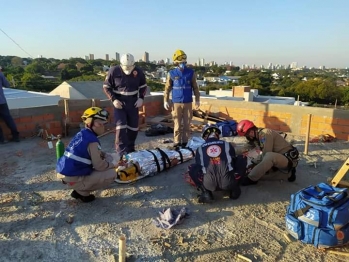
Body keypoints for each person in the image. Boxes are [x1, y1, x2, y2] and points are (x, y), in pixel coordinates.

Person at [56, 107, 120, 202]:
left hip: (65, 173)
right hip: (72, 177)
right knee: (112, 173)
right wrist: (114, 164)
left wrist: (106, 155)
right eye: (99, 123)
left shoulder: (82, 134)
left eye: (103, 124)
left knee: (109, 160)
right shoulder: (92, 141)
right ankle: (82, 192)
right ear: (89, 123)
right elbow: (99, 166)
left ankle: (79, 188)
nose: (102, 126)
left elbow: (88, 152)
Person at [103, 53, 147, 154]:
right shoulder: (114, 71)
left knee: (133, 126)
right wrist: (113, 99)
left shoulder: (138, 72)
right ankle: (121, 152)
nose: (128, 69)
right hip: (119, 102)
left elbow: (143, 86)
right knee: (121, 126)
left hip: (133, 102)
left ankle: (131, 149)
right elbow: (106, 87)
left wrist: (141, 98)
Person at [187, 125, 243, 203]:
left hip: (209, 185)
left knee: (192, 167)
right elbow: (233, 159)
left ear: (205, 136)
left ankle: (206, 193)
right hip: (228, 182)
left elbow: (199, 165)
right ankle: (235, 189)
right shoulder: (227, 144)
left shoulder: (200, 148)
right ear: (217, 134)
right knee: (241, 159)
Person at [236, 119, 299, 186]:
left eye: (249, 133)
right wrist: (231, 151)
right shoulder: (255, 137)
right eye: (246, 135)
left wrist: (254, 163)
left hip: (288, 159)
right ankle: (283, 174)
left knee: (267, 156)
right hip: (277, 158)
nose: (249, 135)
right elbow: (245, 148)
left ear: (253, 128)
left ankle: (251, 179)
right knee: (253, 155)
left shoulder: (265, 133)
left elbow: (265, 153)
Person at [164, 49, 200, 148]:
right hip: (176, 102)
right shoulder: (171, 73)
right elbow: (167, 88)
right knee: (177, 124)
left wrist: (197, 99)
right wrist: (165, 100)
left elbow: (195, 87)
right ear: (176, 63)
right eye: (180, 62)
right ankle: (176, 141)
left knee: (187, 124)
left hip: (188, 102)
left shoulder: (190, 73)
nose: (182, 64)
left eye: (183, 62)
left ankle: (185, 141)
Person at [0, 66, 20, 144]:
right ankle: (16, 137)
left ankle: (1, 140)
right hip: (2, 102)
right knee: (8, 119)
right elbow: (7, 85)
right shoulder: (0, 74)